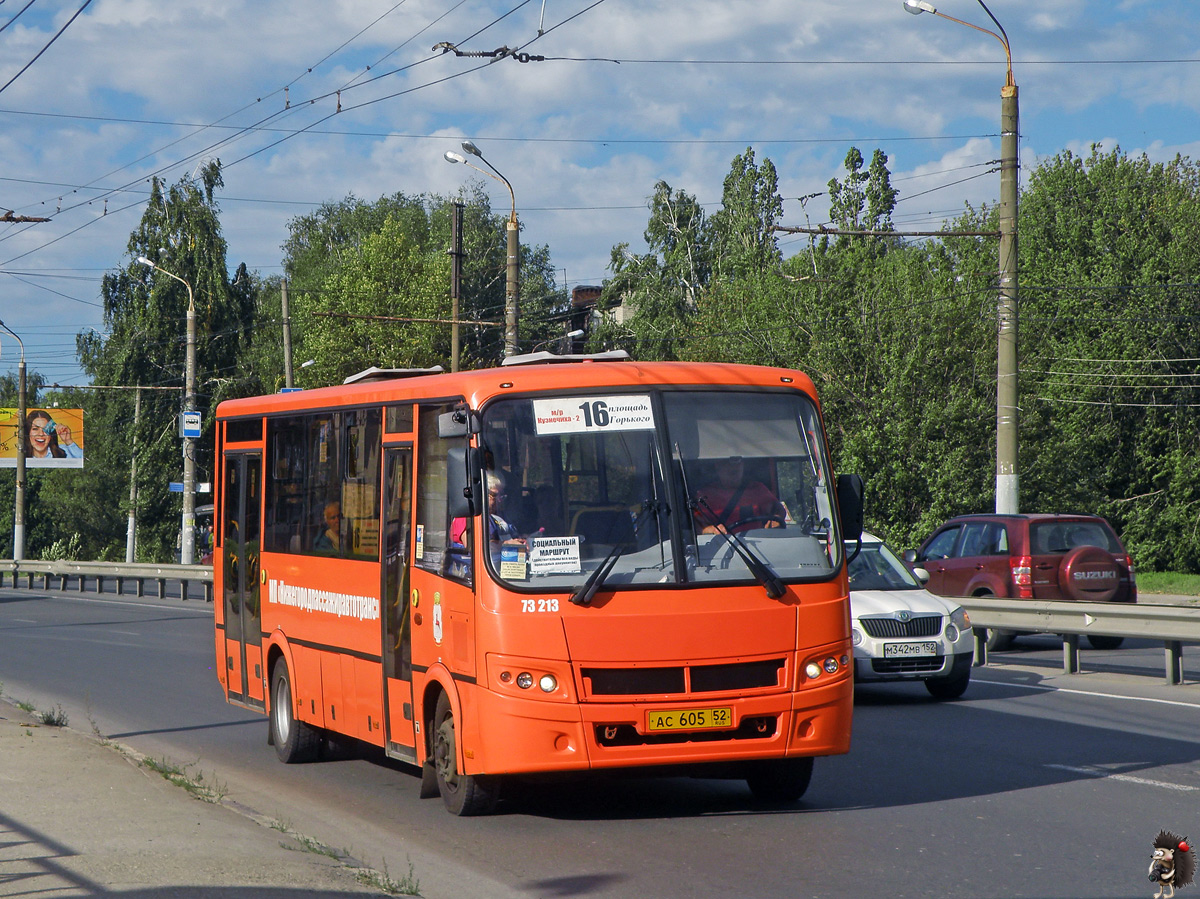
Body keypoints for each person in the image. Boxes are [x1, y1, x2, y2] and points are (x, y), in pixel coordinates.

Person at [694, 456, 787, 535]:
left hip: (758, 548)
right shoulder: (705, 495)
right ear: (717, 466)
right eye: (725, 462)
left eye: (736, 460)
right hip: (722, 550)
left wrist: (776, 519)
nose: (732, 466)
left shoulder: (757, 489)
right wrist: (712, 530)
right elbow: (697, 526)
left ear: (742, 464)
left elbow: (778, 509)